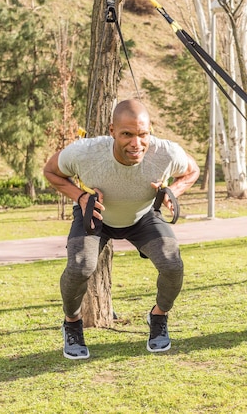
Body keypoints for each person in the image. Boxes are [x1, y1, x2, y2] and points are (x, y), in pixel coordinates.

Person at [43, 99, 200, 358]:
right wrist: (81, 197)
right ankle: (72, 323)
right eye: (127, 134)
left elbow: (192, 171)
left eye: (143, 134)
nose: (136, 143)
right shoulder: (85, 153)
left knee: (172, 264)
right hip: (96, 215)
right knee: (80, 266)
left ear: (150, 131)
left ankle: (158, 317)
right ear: (112, 130)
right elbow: (51, 171)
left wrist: (173, 191)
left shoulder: (166, 153)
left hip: (143, 216)